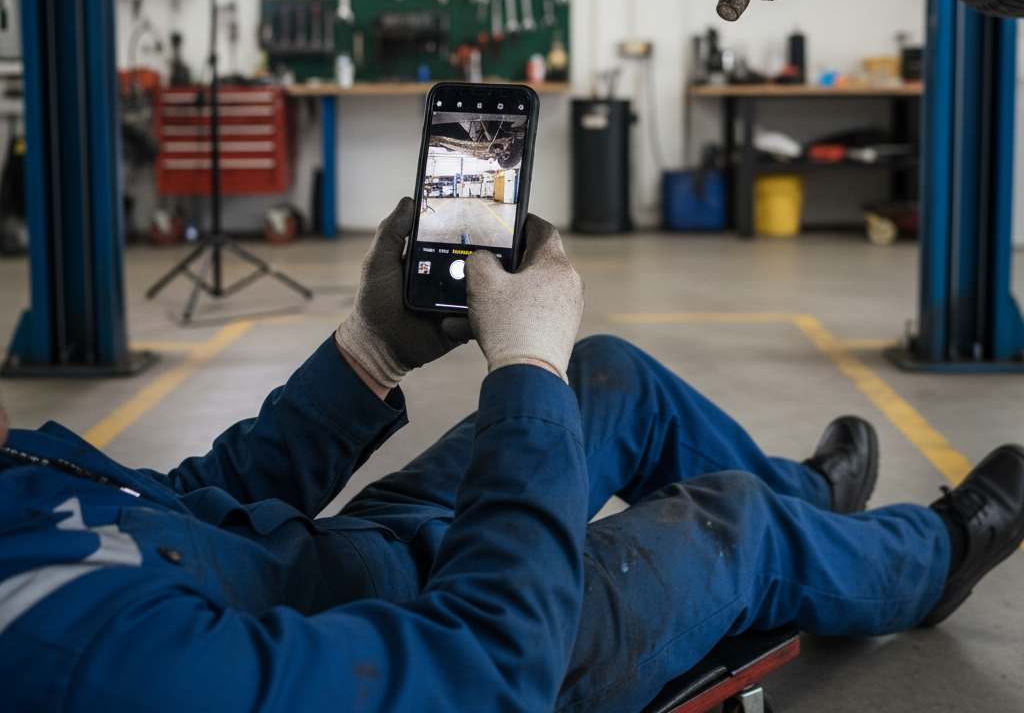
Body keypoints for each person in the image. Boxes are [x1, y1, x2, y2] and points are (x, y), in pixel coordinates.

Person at [1, 198, 1022, 713]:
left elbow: (177, 506)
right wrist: (521, 363)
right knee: (731, 528)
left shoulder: (12, 493)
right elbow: (484, 668)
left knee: (607, 378)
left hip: (344, 557)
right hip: (445, 635)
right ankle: (930, 559)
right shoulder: (86, 667)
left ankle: (813, 507)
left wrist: (369, 349)